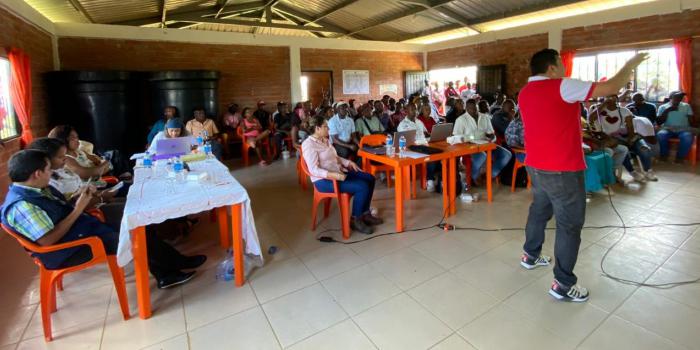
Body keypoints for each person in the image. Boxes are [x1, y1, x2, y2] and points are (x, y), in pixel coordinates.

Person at [519, 48, 648, 302]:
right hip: (562, 170)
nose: (565, 69)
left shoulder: (525, 92)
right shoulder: (562, 86)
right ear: (552, 68)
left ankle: (529, 256)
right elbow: (612, 86)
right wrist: (630, 63)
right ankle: (563, 285)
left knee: (539, 211)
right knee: (569, 226)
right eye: (561, 64)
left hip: (535, 165)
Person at [1, 150, 206, 289]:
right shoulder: (22, 205)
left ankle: (171, 265)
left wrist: (79, 199)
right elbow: (47, 240)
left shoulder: (38, 189)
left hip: (80, 229)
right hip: (70, 249)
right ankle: (168, 273)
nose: (51, 173)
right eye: (48, 170)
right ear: (37, 173)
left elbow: (58, 211)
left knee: (139, 220)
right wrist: (78, 209)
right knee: (134, 232)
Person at [301, 116, 382, 235]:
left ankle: (365, 213)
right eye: (325, 126)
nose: (328, 128)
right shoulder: (308, 145)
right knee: (362, 186)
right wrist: (333, 175)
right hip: (324, 181)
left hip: (338, 173)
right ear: (317, 128)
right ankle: (355, 219)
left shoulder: (325, 139)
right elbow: (313, 170)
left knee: (370, 178)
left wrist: (349, 162)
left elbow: (335, 158)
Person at [28, 138, 126, 229]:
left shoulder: (60, 172)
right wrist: (101, 197)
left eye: (65, 155)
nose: (65, 159)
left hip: (93, 204)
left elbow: (71, 200)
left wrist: (94, 193)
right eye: (60, 157)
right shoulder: (46, 184)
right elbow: (71, 207)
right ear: (46, 161)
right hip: (90, 213)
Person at [589, 95, 649, 182]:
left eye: (614, 98)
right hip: (604, 138)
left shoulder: (623, 111)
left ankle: (614, 171)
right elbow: (591, 119)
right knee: (623, 148)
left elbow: (630, 127)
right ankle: (631, 171)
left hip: (621, 137)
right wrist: (604, 104)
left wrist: (631, 138)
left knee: (634, 146)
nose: (611, 100)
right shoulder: (597, 108)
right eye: (609, 97)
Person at [453, 99, 512, 184]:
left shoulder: (485, 117)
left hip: (486, 145)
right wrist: (467, 139)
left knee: (507, 155)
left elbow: (491, 133)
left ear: (477, 107)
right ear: (466, 108)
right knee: (482, 156)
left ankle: (490, 175)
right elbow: (456, 137)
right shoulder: (461, 120)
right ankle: (474, 176)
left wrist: (492, 137)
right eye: (470, 108)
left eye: (475, 108)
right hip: (470, 147)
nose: (473, 111)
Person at [657, 90, 697, 163]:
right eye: (677, 98)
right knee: (661, 135)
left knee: (687, 136)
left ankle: (680, 158)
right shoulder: (663, 107)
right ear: (670, 98)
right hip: (667, 129)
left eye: (680, 98)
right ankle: (664, 155)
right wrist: (668, 110)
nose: (679, 100)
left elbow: (691, 121)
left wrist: (694, 128)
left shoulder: (686, 106)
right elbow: (659, 122)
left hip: (683, 129)